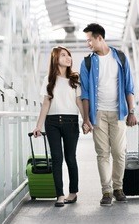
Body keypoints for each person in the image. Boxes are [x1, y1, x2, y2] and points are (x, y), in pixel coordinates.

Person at [79, 23, 137, 206]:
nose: (88, 43)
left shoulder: (119, 57)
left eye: (89, 40)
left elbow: (129, 87)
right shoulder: (87, 62)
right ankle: (106, 191)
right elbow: (85, 93)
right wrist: (86, 119)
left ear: (99, 38)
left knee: (119, 152)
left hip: (119, 112)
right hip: (98, 114)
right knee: (102, 153)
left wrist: (132, 112)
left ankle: (118, 187)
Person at [32, 46, 84, 207]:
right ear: (56, 59)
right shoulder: (49, 79)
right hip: (52, 122)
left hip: (71, 121)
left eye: (69, 55)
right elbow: (46, 103)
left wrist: (86, 121)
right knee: (56, 159)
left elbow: (79, 102)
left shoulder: (75, 79)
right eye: (63, 55)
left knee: (70, 157)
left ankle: (73, 192)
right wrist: (38, 126)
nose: (68, 57)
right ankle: (59, 195)